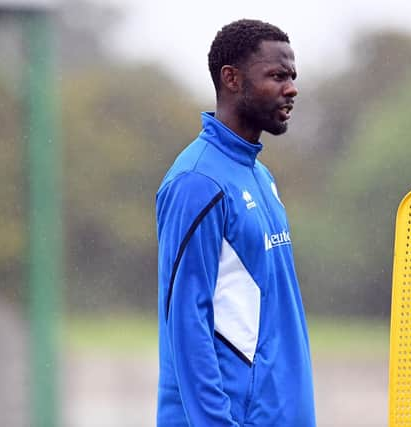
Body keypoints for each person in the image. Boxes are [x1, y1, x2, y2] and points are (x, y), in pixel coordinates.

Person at [155, 19, 316, 427]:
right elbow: (188, 327)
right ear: (231, 78)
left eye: (293, 76)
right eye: (277, 76)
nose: (292, 88)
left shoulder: (259, 176)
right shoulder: (197, 182)